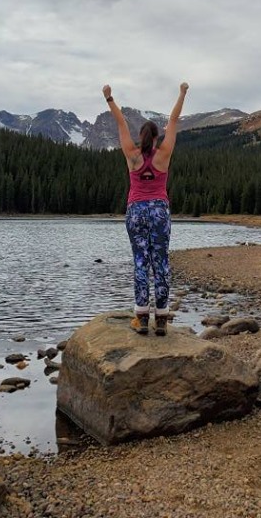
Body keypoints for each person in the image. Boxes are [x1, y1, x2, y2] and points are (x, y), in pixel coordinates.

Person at [102, 81, 189, 335]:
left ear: (141, 137)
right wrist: (182, 93)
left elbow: (120, 124)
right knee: (160, 263)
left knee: (141, 262)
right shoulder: (163, 155)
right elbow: (173, 120)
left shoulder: (132, 154)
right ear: (157, 136)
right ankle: (161, 320)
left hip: (136, 211)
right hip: (159, 211)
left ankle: (141, 318)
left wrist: (109, 98)